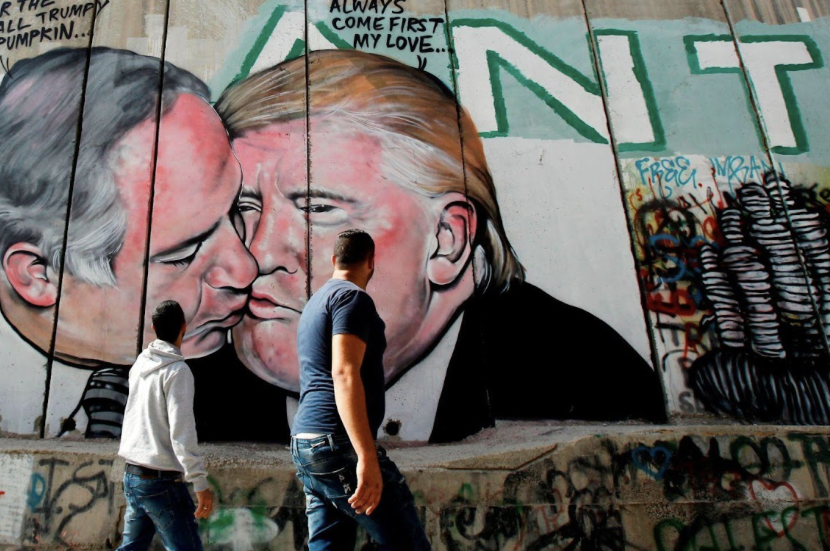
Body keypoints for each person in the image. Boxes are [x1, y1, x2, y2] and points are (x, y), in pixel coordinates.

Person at [198, 49, 664, 443]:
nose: (255, 255)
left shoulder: (584, 379)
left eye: (319, 208)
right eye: (242, 207)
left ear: (446, 240)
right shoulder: (197, 379)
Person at [0, 47, 257, 435]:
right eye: (183, 254)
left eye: (238, 210)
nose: (245, 269)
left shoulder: (252, 367)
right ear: (37, 275)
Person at [290, 230, 430, 550]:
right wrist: (365, 457)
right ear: (371, 261)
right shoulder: (352, 299)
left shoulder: (315, 303)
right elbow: (344, 372)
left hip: (306, 445)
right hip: (337, 445)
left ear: (334, 260)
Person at [118, 300, 213, 551]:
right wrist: (199, 482)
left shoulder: (140, 364)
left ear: (153, 327)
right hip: (161, 482)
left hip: (133, 475)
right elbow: (182, 432)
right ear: (184, 326)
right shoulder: (178, 372)